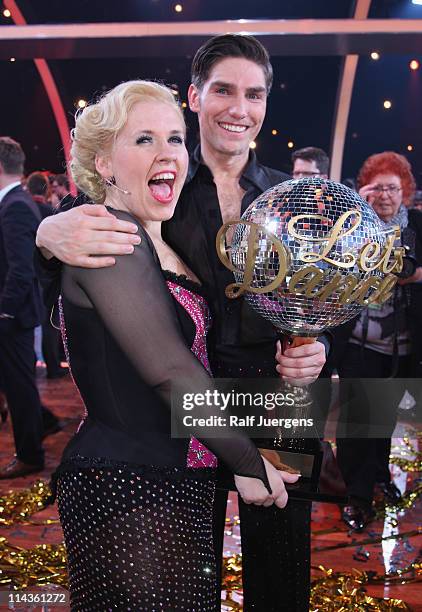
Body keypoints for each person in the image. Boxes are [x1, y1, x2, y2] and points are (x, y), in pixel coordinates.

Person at [35, 35, 327, 611]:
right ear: (196, 96)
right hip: (193, 413)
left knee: (284, 569)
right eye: (223, 89)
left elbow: (319, 302)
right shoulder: (162, 191)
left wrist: (318, 351)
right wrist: (43, 238)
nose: (238, 108)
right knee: (189, 566)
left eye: (254, 94)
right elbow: (99, 249)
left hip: (285, 409)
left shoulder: (291, 199)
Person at [334, 151, 422, 531]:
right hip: (358, 340)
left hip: (401, 343)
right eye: (377, 188)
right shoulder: (353, 224)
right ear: (363, 191)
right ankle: (355, 493)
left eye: (393, 187)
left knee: (385, 417)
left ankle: (379, 477)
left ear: (406, 190)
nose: (386, 195)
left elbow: (408, 267)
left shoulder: (415, 224)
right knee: (357, 419)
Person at [0, 138, 45, 479]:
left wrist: (4, 312)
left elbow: (20, 269)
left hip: (13, 319)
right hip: (14, 315)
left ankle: (30, 453)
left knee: (20, 387)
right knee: (18, 385)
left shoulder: (15, 205)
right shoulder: (15, 202)